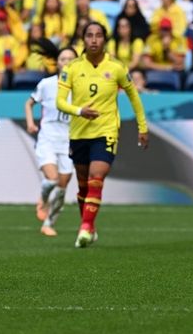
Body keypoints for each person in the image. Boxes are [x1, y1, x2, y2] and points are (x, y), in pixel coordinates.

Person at [56, 22, 148, 248]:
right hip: (78, 133)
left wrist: (142, 126)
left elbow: (133, 96)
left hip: (106, 131)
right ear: (83, 39)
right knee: (83, 186)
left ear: (105, 40)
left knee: (97, 178)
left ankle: (85, 228)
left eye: (98, 35)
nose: (94, 40)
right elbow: (59, 102)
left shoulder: (116, 67)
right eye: (89, 35)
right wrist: (79, 111)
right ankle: (89, 225)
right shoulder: (72, 68)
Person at [25, 47, 77, 237]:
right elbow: (29, 103)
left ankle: (48, 223)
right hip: (47, 138)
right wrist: (31, 123)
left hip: (69, 141)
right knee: (52, 179)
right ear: (58, 63)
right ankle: (43, 198)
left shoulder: (80, 87)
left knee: (62, 188)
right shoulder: (47, 84)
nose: (66, 62)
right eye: (63, 59)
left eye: (71, 59)